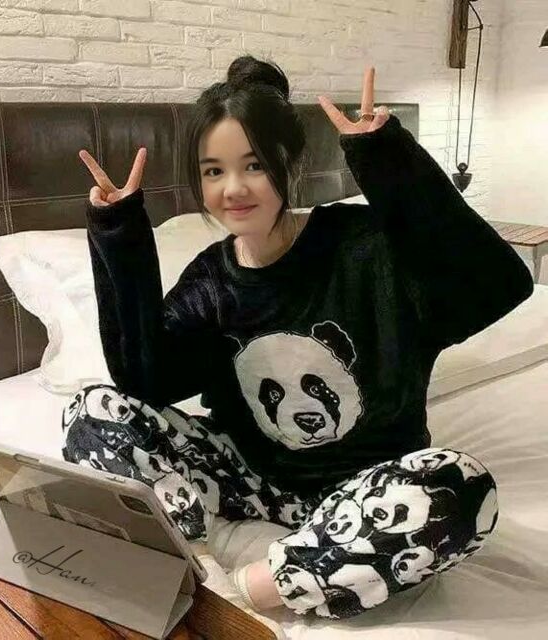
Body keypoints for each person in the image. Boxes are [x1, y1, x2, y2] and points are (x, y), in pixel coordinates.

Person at [60, 55, 534, 620]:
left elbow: (500, 286)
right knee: (92, 412)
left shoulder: (368, 249)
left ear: (290, 161)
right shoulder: (212, 280)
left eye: (254, 165)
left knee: (462, 488)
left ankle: (249, 588)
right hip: (250, 484)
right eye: (213, 171)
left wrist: (388, 161)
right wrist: (119, 232)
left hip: (365, 495)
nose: (234, 189)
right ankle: (221, 551)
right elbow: (144, 380)